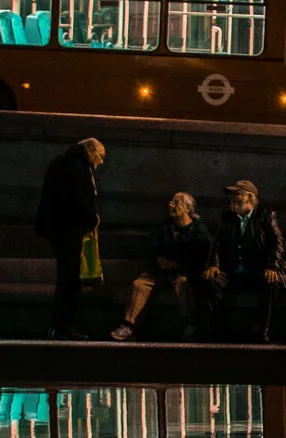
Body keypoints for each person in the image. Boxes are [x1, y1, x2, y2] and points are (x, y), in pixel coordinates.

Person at [110, 192, 212, 341]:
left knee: (184, 283)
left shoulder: (198, 229)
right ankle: (129, 326)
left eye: (176, 202)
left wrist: (178, 263)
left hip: (183, 272)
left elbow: (199, 252)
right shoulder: (164, 226)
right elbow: (152, 247)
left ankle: (191, 325)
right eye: (171, 202)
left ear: (188, 208)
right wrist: (158, 260)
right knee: (140, 284)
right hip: (160, 272)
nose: (171, 205)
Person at [34, 137, 104, 339]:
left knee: (67, 277)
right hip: (68, 230)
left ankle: (58, 327)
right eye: (100, 156)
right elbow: (78, 199)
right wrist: (92, 219)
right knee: (70, 280)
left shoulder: (62, 162)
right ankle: (64, 327)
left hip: (57, 229)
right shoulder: (76, 167)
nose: (101, 161)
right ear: (90, 150)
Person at [206, 178, 286, 341]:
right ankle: (219, 329)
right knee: (211, 281)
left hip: (257, 272)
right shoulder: (228, 218)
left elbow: (277, 243)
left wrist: (272, 266)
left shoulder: (265, 215)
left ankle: (262, 329)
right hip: (233, 272)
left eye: (237, 194)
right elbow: (217, 243)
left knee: (271, 282)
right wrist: (213, 265)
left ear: (250, 198)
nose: (232, 198)